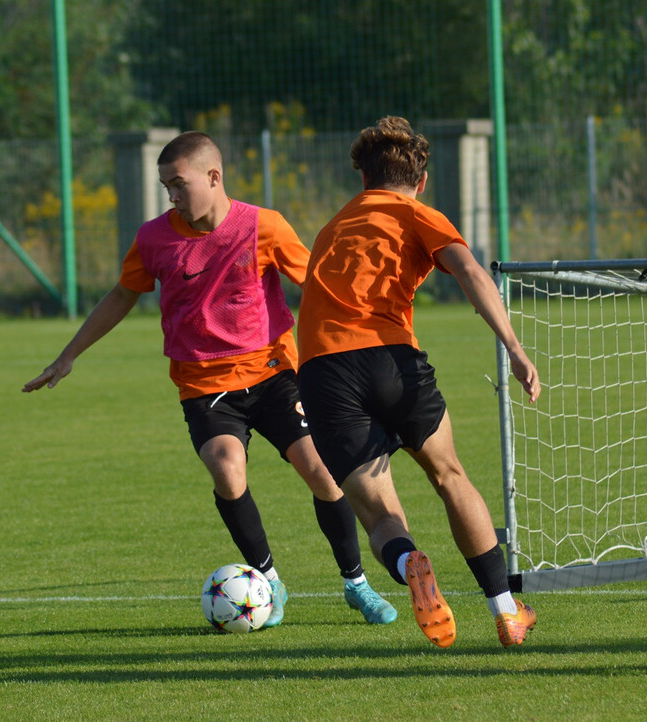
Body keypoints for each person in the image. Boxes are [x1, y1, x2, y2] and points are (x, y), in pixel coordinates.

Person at [24, 131, 397, 628]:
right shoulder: (154, 238)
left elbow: (319, 285)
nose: (172, 196)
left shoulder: (264, 226)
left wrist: (365, 340)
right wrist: (68, 355)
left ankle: (356, 584)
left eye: (179, 184)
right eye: (166, 187)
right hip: (204, 385)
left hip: (274, 373)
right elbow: (121, 295)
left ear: (214, 176)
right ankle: (268, 581)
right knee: (227, 469)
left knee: (323, 472)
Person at [295, 116, 542, 648]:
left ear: (363, 180)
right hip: (391, 361)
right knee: (450, 476)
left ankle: (410, 562)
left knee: (380, 514)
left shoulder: (331, 227)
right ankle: (506, 611)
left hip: (322, 370)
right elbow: (473, 273)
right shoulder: (416, 213)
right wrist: (515, 349)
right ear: (421, 181)